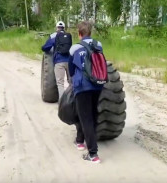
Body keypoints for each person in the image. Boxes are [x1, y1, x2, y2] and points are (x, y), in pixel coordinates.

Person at [68, 21, 104, 164]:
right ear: (90, 33)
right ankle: (81, 141)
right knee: (92, 115)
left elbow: (71, 69)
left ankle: (93, 154)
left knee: (84, 117)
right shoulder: (98, 45)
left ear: (79, 33)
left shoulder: (74, 48)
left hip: (82, 86)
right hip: (97, 85)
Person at [42, 21, 72, 100]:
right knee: (71, 82)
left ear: (56, 28)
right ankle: (72, 101)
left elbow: (46, 47)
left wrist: (44, 48)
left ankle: (62, 102)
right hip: (69, 62)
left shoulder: (54, 36)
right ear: (64, 28)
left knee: (60, 83)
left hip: (59, 62)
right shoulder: (68, 36)